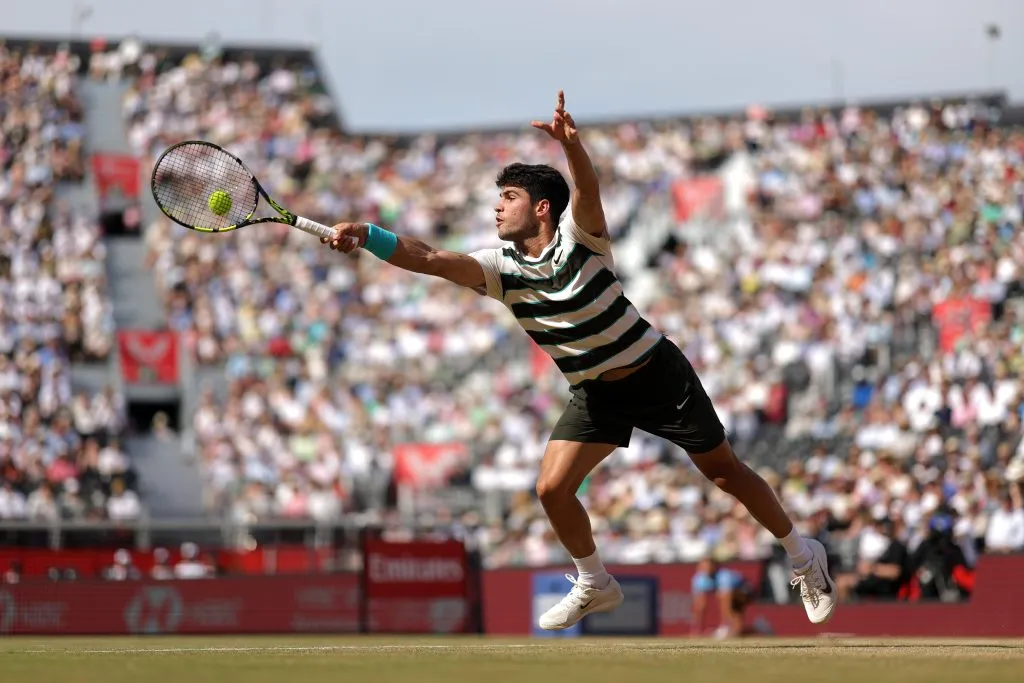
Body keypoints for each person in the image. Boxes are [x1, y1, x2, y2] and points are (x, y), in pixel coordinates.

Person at [323, 91, 836, 630]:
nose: (497, 207)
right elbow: (428, 258)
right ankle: (595, 581)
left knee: (725, 472)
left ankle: (803, 555)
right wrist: (368, 235)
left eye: (510, 197)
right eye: (498, 198)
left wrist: (573, 145)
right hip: (596, 393)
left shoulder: (582, 240)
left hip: (656, 373)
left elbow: (587, 189)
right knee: (551, 489)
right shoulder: (499, 269)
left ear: (542, 208)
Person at [691, 557, 762, 638]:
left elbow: (726, 598)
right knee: (737, 632)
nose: (706, 569)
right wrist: (696, 629)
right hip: (733, 596)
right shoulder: (699, 579)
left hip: (746, 592)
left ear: (714, 566)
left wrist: (725, 624)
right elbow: (700, 605)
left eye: (708, 566)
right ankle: (757, 630)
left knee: (723, 596)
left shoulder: (724, 575)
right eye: (703, 566)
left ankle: (725, 626)